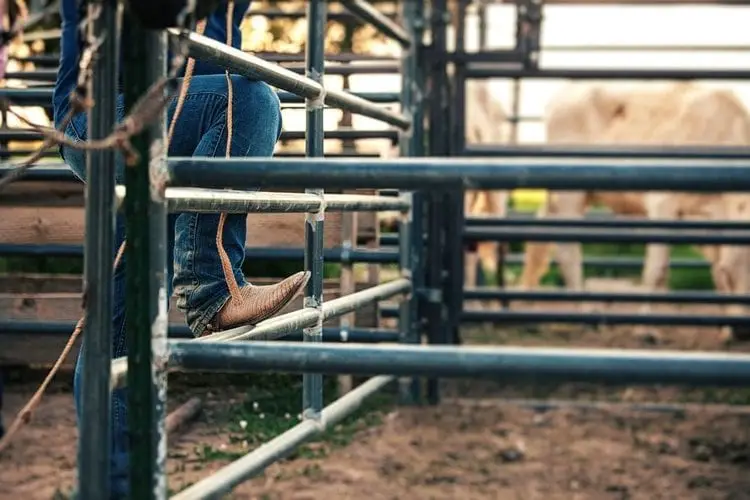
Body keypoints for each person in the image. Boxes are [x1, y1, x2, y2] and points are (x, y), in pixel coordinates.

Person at [53, 1, 310, 496]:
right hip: (107, 109)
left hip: (166, 106)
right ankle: (210, 288)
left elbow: (211, 46)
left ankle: (111, 484)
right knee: (249, 99)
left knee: (120, 320)